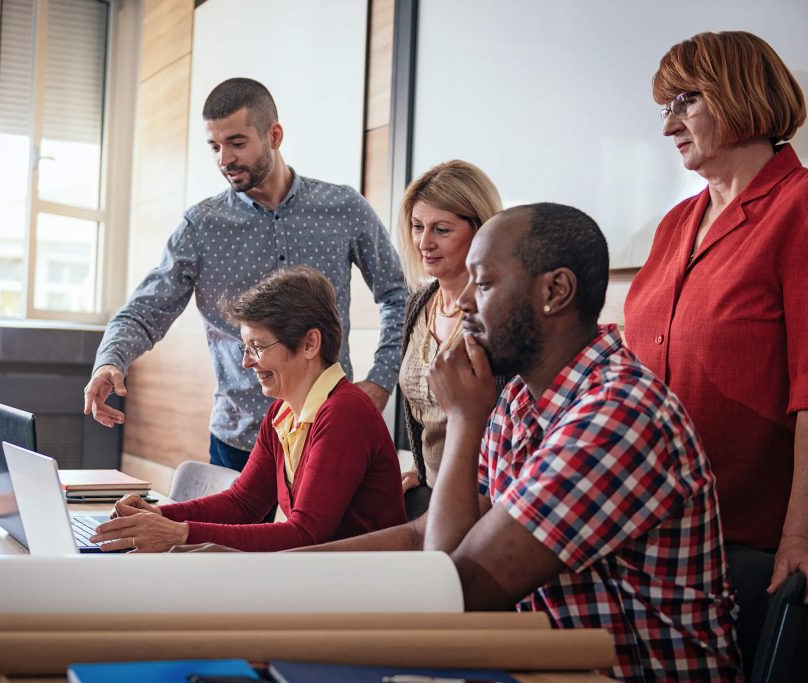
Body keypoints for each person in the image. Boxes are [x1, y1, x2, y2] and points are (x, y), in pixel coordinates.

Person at [258, 204, 739, 681]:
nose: (463, 301)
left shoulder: (618, 413)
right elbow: (425, 535)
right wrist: (263, 573)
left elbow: (455, 588)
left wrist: (464, 419)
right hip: (541, 664)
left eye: (483, 284)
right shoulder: (517, 399)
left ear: (555, 291)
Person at [83, 77, 408, 472]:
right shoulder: (201, 226)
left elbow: (396, 295)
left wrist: (381, 380)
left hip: (328, 431)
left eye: (237, 143)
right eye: (215, 146)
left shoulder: (343, 208)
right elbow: (145, 310)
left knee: (324, 538)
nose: (224, 159)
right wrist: (110, 361)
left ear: (274, 135)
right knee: (232, 538)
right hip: (240, 439)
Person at [624, 32, 807, 610]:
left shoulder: (800, 207)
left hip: (748, 541)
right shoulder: (676, 222)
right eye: (665, 108)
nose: (668, 126)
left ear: (742, 96)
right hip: (651, 531)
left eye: (686, 102)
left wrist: (800, 535)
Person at [89, 266, 407, 552]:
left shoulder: (344, 414)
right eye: (246, 347)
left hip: (361, 587)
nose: (246, 361)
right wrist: (157, 515)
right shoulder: (281, 413)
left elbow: (307, 535)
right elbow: (243, 503)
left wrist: (178, 533)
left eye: (258, 347)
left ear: (310, 343)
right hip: (322, 577)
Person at [395, 160, 503, 494]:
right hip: (432, 489)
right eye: (417, 226)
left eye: (441, 230)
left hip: (482, 497)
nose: (424, 242)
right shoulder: (419, 302)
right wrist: (420, 468)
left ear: (481, 230)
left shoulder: (499, 309)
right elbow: (420, 414)